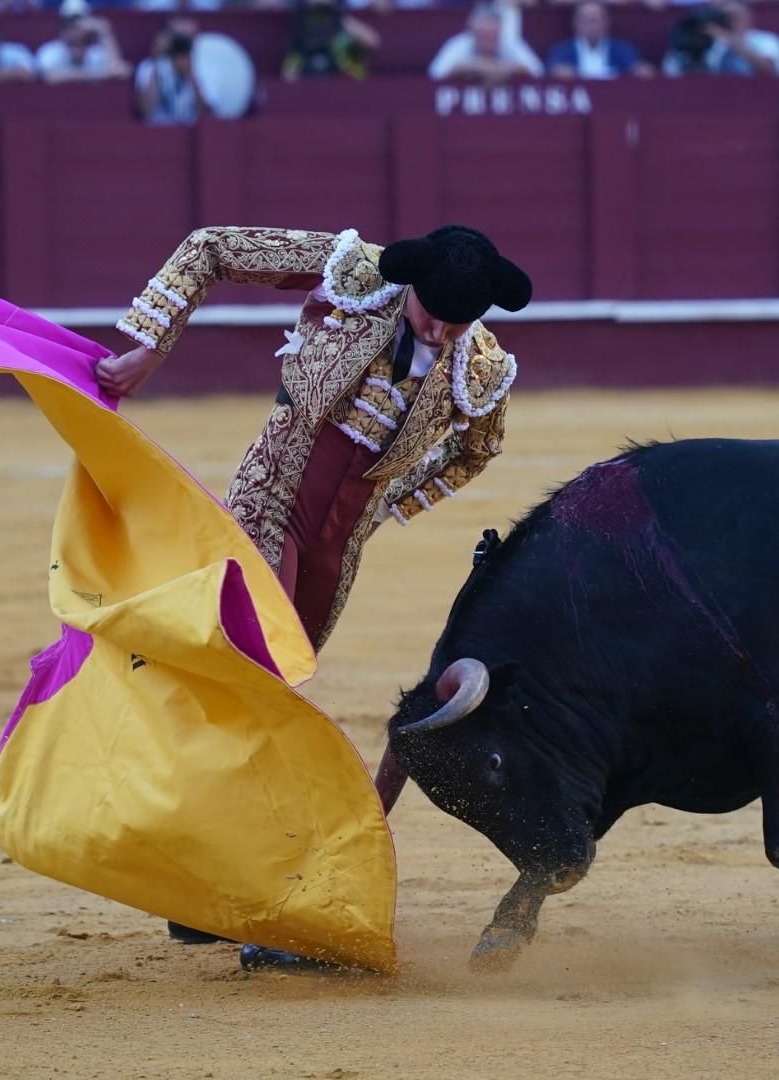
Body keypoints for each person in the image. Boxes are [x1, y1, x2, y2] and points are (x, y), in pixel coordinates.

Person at [97, 224, 531, 949]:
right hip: (272, 503)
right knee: (256, 682)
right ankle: (213, 873)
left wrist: (394, 502)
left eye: (461, 321)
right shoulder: (358, 273)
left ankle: (214, 878)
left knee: (269, 693)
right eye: (434, 315)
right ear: (413, 284)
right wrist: (151, 344)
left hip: (339, 546)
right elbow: (211, 248)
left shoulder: (480, 365)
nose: (444, 329)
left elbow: (477, 450)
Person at [428, 2, 544, 83]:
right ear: (473, 32)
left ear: (499, 31)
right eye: (484, 35)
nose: (489, 40)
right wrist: (474, 67)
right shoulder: (459, 44)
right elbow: (435, 74)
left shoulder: (510, 43)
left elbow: (539, 72)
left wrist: (505, 70)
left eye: (493, 35)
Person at [545, 1, 653, 80]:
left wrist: (641, 72)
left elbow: (638, 71)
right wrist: (557, 72)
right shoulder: (561, 51)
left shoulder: (624, 50)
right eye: (586, 20)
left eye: (596, 20)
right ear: (575, 23)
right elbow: (551, 73)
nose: (592, 25)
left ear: (606, 22)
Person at [281, 0, 381, 80]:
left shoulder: (341, 24)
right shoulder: (302, 29)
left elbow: (373, 40)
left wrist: (338, 18)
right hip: (307, 69)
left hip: (338, 75)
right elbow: (289, 74)